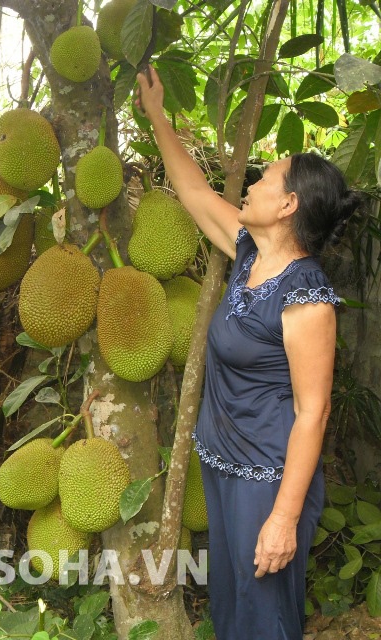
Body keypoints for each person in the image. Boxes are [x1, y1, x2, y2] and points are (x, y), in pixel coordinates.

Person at [136, 66, 361, 640]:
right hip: (223, 464)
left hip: (268, 479)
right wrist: (159, 117)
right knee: (233, 609)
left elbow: (314, 413)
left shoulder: (306, 300)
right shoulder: (248, 256)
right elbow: (192, 192)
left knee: (264, 619)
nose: (254, 182)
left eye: (266, 177)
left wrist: (283, 518)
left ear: (287, 206)